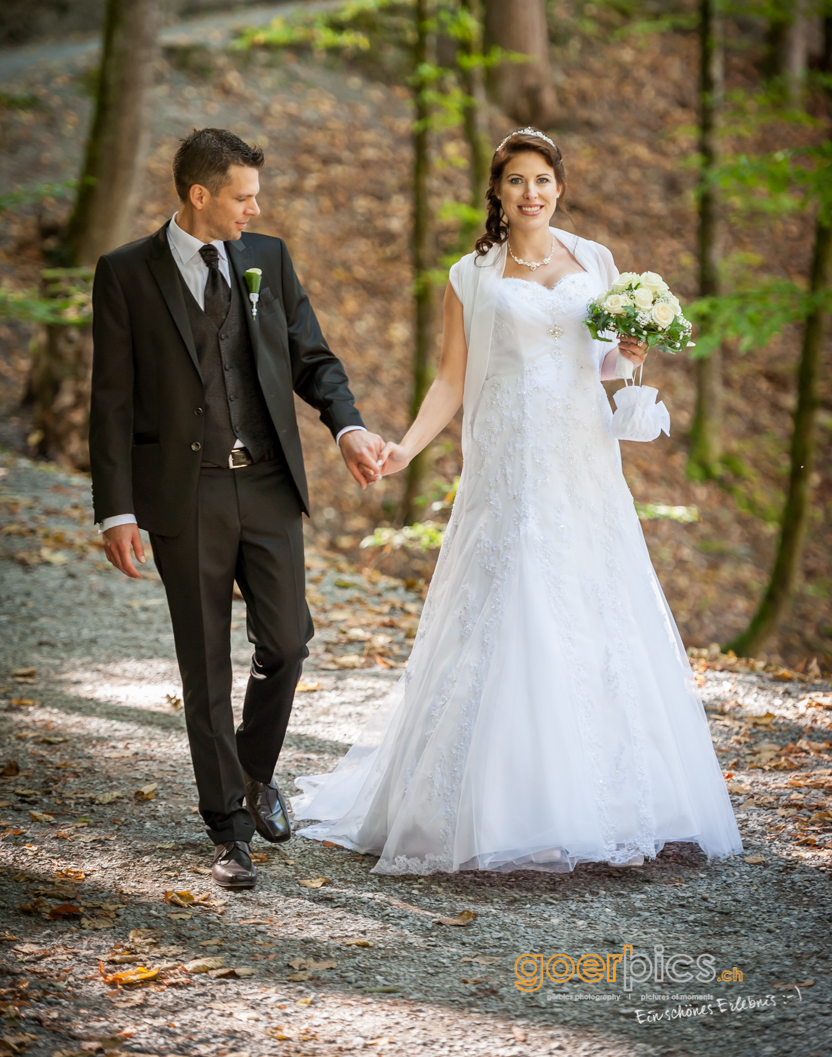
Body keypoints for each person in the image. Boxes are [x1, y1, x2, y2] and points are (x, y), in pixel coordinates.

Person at [292, 128, 742, 875]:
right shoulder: (470, 274)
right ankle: (496, 804)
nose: (530, 192)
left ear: (558, 186)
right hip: (505, 452)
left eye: (542, 180)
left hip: (580, 451)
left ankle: (612, 797)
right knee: (508, 594)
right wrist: (406, 446)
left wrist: (627, 353)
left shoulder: (594, 260)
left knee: (590, 596)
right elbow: (451, 378)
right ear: (496, 193)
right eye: (516, 181)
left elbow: (594, 359)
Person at [89, 127, 384, 888]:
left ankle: (252, 777)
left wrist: (346, 425)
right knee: (204, 663)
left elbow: (313, 359)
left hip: (267, 485)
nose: (257, 208)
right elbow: (112, 400)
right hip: (183, 496)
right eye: (244, 196)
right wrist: (115, 510)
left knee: (287, 642)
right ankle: (228, 830)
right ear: (199, 195)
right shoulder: (125, 274)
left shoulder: (268, 259)